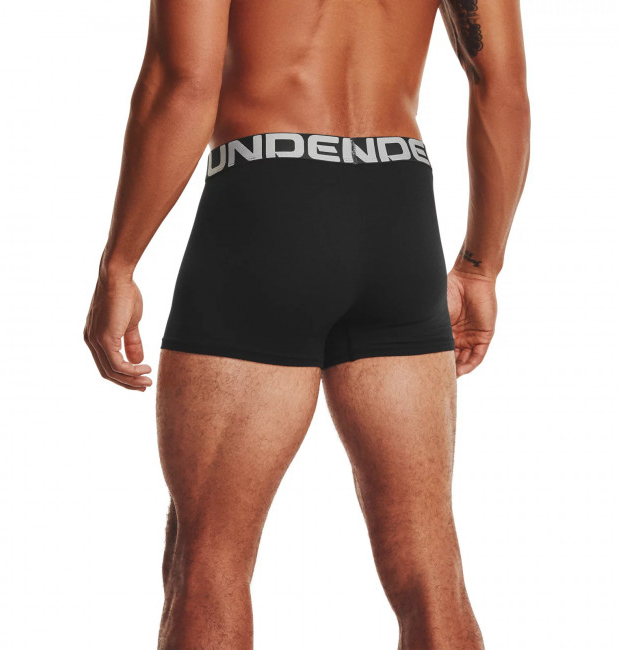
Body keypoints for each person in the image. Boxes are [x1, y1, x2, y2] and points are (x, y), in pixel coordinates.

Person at [84, 0, 530, 647]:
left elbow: (184, 82)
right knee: (429, 564)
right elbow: (503, 88)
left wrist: (120, 262)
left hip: (267, 204)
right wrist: (481, 266)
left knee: (208, 559)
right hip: (398, 213)